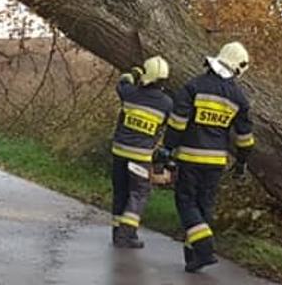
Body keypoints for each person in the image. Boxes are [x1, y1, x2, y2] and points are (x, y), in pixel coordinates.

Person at [162, 42, 253, 272]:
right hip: (216, 162)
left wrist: (167, 148)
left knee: (186, 202)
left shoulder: (194, 86)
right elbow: (245, 137)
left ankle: (204, 248)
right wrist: (242, 162)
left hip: (191, 157)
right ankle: (193, 257)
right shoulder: (238, 98)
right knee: (204, 206)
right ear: (238, 68)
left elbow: (177, 122)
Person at [108, 56, 173, 249]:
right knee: (138, 193)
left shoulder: (129, 93)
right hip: (141, 157)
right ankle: (126, 234)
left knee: (120, 192)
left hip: (119, 152)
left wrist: (134, 73)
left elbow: (122, 81)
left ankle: (117, 232)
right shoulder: (167, 104)